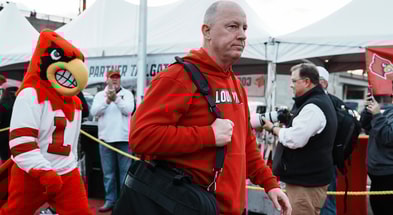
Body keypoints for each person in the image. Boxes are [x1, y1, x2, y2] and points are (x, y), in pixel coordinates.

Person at [125, 1, 291, 215]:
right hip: (188, 206)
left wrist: (270, 184)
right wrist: (208, 135)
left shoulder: (235, 84)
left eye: (244, 28)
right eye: (232, 26)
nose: (242, 35)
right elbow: (141, 137)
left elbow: (246, 142)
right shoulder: (178, 76)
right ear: (207, 31)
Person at [0, 29, 91, 215]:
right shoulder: (31, 94)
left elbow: (72, 143)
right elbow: (21, 144)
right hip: (31, 174)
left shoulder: (75, 102)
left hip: (66, 171)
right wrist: (43, 171)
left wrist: (71, 167)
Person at [263, 63, 337, 215]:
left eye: (294, 81)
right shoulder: (316, 101)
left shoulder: (313, 107)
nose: (291, 85)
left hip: (306, 184)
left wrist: (273, 128)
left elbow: (294, 139)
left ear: (307, 81)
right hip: (305, 181)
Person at [90, 69, 134, 213]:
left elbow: (129, 110)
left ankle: (123, 202)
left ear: (120, 79)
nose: (115, 80)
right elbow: (94, 112)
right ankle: (110, 200)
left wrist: (116, 99)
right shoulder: (99, 95)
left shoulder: (127, 94)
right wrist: (107, 100)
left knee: (124, 173)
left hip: (123, 139)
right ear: (106, 79)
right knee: (108, 173)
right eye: (112, 77)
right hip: (105, 139)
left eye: (117, 77)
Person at [317, 66, 344, 215]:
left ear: (324, 83)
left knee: (326, 202)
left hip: (325, 160)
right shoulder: (334, 102)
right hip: (328, 159)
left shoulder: (327, 102)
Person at [360, 94, 393, 215]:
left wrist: (378, 115)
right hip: (378, 174)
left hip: (388, 174)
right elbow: (367, 126)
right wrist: (369, 110)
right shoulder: (389, 110)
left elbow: (388, 137)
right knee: (378, 208)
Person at [0, 86, 18, 163]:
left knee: (5, 158)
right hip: (15, 134)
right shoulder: (19, 105)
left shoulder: (1, 106)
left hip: (3, 135)